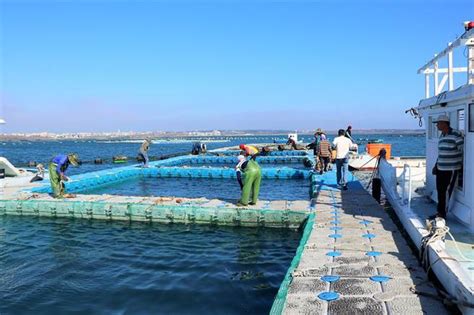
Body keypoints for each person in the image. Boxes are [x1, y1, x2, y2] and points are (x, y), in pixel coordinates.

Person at [431, 115, 464, 219]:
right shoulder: (442, 135)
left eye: (438, 123)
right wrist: (436, 165)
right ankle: (440, 212)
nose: (436, 125)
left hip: (451, 169)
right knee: (440, 190)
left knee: (445, 191)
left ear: (444, 123)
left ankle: (442, 214)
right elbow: (441, 153)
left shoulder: (456, 134)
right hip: (441, 168)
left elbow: (463, 150)